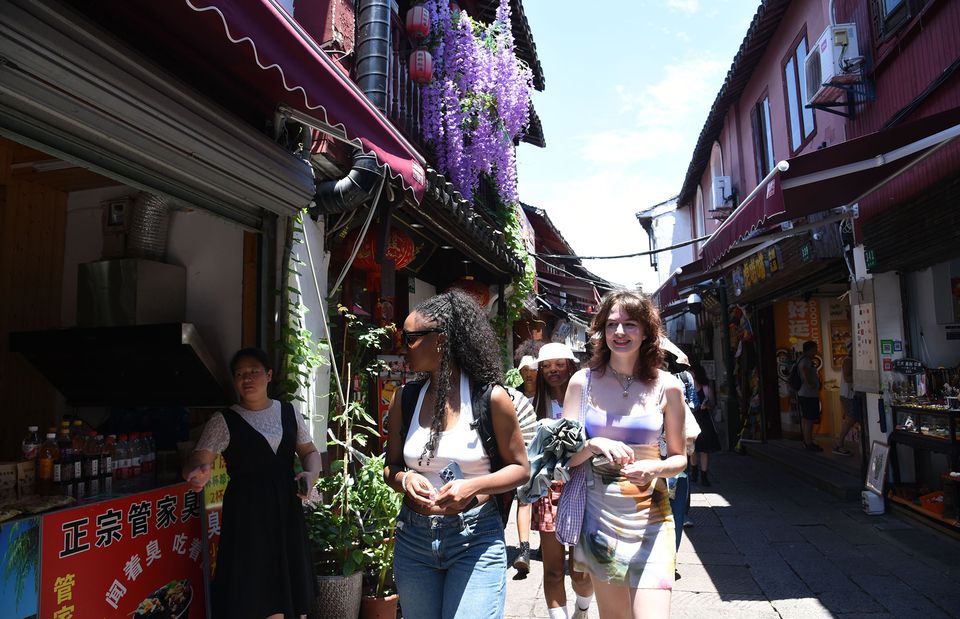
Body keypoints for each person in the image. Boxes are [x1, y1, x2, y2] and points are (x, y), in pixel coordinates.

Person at [383, 290, 530, 619]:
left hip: (474, 539)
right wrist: (406, 478)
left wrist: (471, 487)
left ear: (441, 340)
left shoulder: (491, 398)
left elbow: (521, 469)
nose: (401, 346)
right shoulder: (404, 399)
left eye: (408, 338)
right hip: (414, 539)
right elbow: (389, 467)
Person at [562, 290, 687, 619]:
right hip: (600, 520)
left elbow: (679, 458)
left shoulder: (668, 386)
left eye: (630, 324)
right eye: (612, 325)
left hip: (652, 518)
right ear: (601, 332)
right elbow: (562, 458)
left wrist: (654, 468)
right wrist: (590, 446)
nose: (620, 332)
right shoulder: (582, 382)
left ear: (646, 331)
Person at [183, 347, 319, 619]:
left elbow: (310, 452)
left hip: (286, 508)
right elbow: (198, 458)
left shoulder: (289, 412)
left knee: (290, 589)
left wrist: (310, 476)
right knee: (255, 588)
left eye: (254, 372)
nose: (247, 378)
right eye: (240, 374)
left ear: (268, 375)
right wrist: (196, 471)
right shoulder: (223, 421)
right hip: (247, 514)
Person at [527, 343, 595, 619]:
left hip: (583, 485)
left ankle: (582, 608)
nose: (553, 370)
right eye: (546, 365)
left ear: (570, 366)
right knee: (553, 568)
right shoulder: (531, 404)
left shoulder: (588, 400)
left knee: (581, 568)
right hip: (547, 488)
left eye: (559, 364)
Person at [513, 354, 538, 573]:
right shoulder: (514, 396)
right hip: (521, 455)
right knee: (524, 499)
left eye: (532, 371)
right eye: (525, 371)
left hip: (544, 455)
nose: (528, 375)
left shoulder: (545, 394)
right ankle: (524, 549)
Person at [689, 364, 720, 486]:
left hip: (704, 422)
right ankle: (695, 472)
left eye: (691, 373)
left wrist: (707, 405)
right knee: (692, 450)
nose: (689, 375)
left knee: (704, 450)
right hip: (691, 421)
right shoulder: (686, 388)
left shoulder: (706, 388)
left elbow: (713, 404)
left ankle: (704, 475)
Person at [797, 340, 823, 452]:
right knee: (809, 419)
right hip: (808, 394)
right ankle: (808, 443)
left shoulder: (801, 359)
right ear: (810, 349)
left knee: (805, 418)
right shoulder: (806, 360)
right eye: (815, 349)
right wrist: (811, 384)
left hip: (803, 393)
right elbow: (805, 372)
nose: (816, 351)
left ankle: (806, 440)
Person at [833, 343, 859, 456]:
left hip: (850, 394)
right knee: (850, 418)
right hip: (848, 394)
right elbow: (848, 378)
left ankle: (840, 443)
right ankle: (839, 444)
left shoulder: (850, 360)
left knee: (851, 418)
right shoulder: (848, 360)